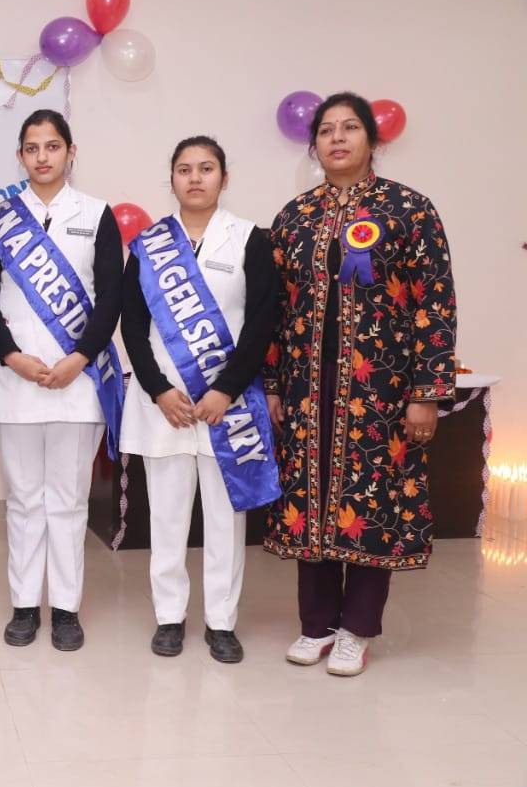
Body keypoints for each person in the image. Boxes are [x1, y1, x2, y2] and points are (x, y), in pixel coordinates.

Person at [263, 92, 457, 676]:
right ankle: (316, 625)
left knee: (372, 501)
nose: (338, 138)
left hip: (381, 392)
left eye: (350, 128)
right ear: (314, 145)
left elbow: (435, 304)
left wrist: (426, 393)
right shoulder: (294, 217)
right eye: (326, 130)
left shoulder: (409, 210)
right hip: (306, 389)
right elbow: (274, 308)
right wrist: (272, 383)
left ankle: (357, 629)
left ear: (372, 139)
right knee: (311, 499)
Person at [121, 136, 280, 664]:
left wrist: (225, 389)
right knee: (166, 518)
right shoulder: (149, 245)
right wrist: (158, 389)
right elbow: (133, 326)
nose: (195, 178)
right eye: (184, 169)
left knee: (225, 521)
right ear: (171, 179)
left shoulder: (249, 239)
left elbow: (261, 323)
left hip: (227, 407)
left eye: (206, 168)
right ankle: (169, 617)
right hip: (164, 405)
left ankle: (221, 623)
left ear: (224, 179)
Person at [0, 109, 124, 651]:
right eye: (32, 148)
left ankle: (65, 608)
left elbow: (111, 296)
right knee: (23, 499)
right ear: (20, 156)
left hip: (78, 381)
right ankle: (23, 606)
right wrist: (11, 356)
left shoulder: (97, 214)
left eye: (52, 146)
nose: (43, 157)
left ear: (70, 152)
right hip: (15, 380)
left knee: (68, 499)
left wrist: (80, 357)